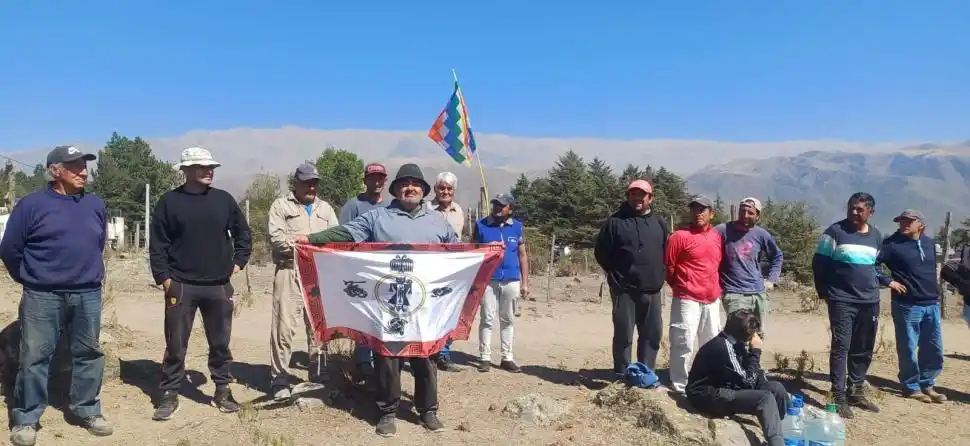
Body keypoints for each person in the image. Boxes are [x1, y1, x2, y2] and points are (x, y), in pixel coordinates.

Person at [298, 163, 458, 437]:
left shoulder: (438, 222)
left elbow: (459, 252)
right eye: (405, 184)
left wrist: (490, 253)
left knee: (425, 358)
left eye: (416, 184)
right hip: (388, 303)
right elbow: (345, 233)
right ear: (396, 189)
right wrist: (310, 238)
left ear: (423, 190)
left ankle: (428, 409)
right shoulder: (377, 218)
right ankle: (388, 411)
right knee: (388, 358)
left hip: (423, 306)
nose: (411, 188)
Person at [0, 145, 113, 446]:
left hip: (87, 293)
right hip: (42, 295)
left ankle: (85, 408)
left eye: (84, 165)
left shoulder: (94, 204)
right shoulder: (32, 205)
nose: (83, 171)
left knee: (89, 352)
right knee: (35, 356)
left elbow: (98, 241)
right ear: (55, 171)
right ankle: (26, 418)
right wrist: (29, 278)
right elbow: (10, 248)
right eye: (74, 166)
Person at [149, 147, 252, 421]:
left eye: (212, 167)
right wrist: (165, 279)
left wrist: (239, 263)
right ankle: (169, 393)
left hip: (218, 284)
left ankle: (222, 389)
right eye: (202, 166)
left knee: (220, 341)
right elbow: (158, 244)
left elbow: (244, 234)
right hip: (181, 284)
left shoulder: (224, 200)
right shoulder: (169, 202)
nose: (210, 170)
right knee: (176, 342)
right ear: (185, 170)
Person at [266, 163, 339, 399]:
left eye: (315, 183)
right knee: (284, 327)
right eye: (307, 182)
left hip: (318, 273)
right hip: (289, 271)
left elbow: (335, 238)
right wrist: (307, 244)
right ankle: (279, 379)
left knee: (318, 325)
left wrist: (302, 241)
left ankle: (318, 372)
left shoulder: (325, 209)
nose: (311, 187)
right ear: (295, 183)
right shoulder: (281, 206)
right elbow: (276, 238)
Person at [812, 192, 882, 418]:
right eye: (851, 207)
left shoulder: (876, 236)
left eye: (860, 209)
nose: (854, 212)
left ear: (870, 212)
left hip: (869, 301)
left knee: (863, 347)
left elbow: (874, 266)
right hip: (841, 299)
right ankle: (839, 396)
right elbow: (819, 263)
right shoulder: (834, 232)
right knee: (841, 346)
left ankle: (856, 390)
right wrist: (825, 292)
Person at [594, 179, 668, 376]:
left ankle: (645, 373)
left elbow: (665, 251)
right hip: (624, 290)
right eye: (633, 194)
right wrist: (614, 276)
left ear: (650, 199)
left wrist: (660, 275)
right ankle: (622, 374)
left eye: (642, 195)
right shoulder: (615, 222)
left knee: (651, 335)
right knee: (623, 334)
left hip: (652, 289)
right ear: (628, 196)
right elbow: (601, 252)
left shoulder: (659, 223)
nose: (637, 198)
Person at [686, 309, 789, 446]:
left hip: (728, 385)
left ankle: (779, 434)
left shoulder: (736, 343)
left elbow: (751, 375)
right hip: (708, 396)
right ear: (746, 335)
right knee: (765, 399)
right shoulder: (723, 347)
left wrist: (760, 377)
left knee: (777, 388)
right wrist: (756, 352)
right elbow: (748, 381)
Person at [877, 209, 946, 404]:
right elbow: (873, 264)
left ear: (920, 224)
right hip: (907, 304)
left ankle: (928, 384)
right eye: (901, 221)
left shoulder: (929, 243)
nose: (904, 224)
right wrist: (888, 281)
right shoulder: (891, 244)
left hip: (931, 303)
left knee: (933, 348)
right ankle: (911, 387)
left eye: (909, 221)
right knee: (908, 347)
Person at [665, 196, 723, 393]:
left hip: (712, 298)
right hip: (687, 297)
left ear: (711, 214)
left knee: (711, 343)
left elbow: (718, 264)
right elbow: (669, 267)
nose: (698, 213)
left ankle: (705, 382)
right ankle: (680, 385)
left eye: (703, 210)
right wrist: (682, 285)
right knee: (683, 341)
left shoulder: (716, 236)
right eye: (695, 209)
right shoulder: (679, 237)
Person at [340, 162, 387, 379]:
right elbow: (343, 237)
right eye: (372, 178)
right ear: (365, 180)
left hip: (385, 272)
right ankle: (362, 361)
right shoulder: (353, 206)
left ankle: (382, 358)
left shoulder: (390, 207)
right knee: (363, 315)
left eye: (380, 178)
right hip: (360, 271)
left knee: (382, 315)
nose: (376, 182)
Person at [473, 193, 528, 373]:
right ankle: (485, 357)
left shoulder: (517, 227)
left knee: (508, 319)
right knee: (487, 318)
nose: (497, 207)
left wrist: (525, 282)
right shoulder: (481, 225)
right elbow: (472, 251)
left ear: (510, 209)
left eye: (501, 205)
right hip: (488, 279)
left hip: (511, 279)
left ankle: (507, 357)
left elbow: (522, 255)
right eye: (495, 204)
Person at [716, 197, 783, 338]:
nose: (745, 215)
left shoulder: (761, 234)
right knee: (738, 335)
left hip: (758, 293)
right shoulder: (723, 231)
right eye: (743, 211)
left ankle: (753, 360)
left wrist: (771, 280)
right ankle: (736, 361)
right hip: (734, 293)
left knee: (758, 335)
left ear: (758, 216)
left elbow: (777, 256)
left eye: (750, 213)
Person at [428, 172, 465, 371]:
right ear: (435, 189)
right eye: (441, 187)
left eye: (449, 188)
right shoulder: (425, 208)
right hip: (429, 267)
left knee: (450, 310)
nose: (445, 191)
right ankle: (426, 350)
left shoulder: (459, 211)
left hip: (451, 269)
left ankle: (443, 353)